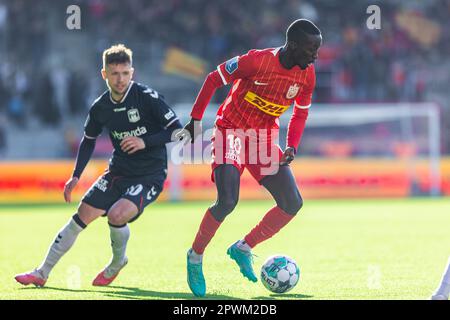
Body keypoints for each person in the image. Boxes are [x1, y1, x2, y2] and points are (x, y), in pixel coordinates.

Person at [15, 44, 182, 287]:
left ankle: (117, 263)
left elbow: (184, 132)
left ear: (132, 73)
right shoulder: (100, 107)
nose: (120, 79)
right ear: (104, 74)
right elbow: (88, 141)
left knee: (116, 215)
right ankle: (41, 272)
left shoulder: (147, 98)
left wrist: (144, 142)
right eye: (114, 73)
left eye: (125, 73)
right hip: (118, 171)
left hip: (150, 174)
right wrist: (75, 176)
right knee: (81, 214)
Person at [177, 19, 322, 297]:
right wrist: (195, 121)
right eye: (310, 50)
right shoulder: (256, 62)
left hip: (262, 140)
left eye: (317, 50)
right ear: (292, 45)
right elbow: (212, 79)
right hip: (230, 132)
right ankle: (195, 256)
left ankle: (243, 247)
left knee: (292, 203)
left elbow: (300, 112)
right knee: (228, 201)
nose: (314, 56)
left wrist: (291, 145)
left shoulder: (307, 74)